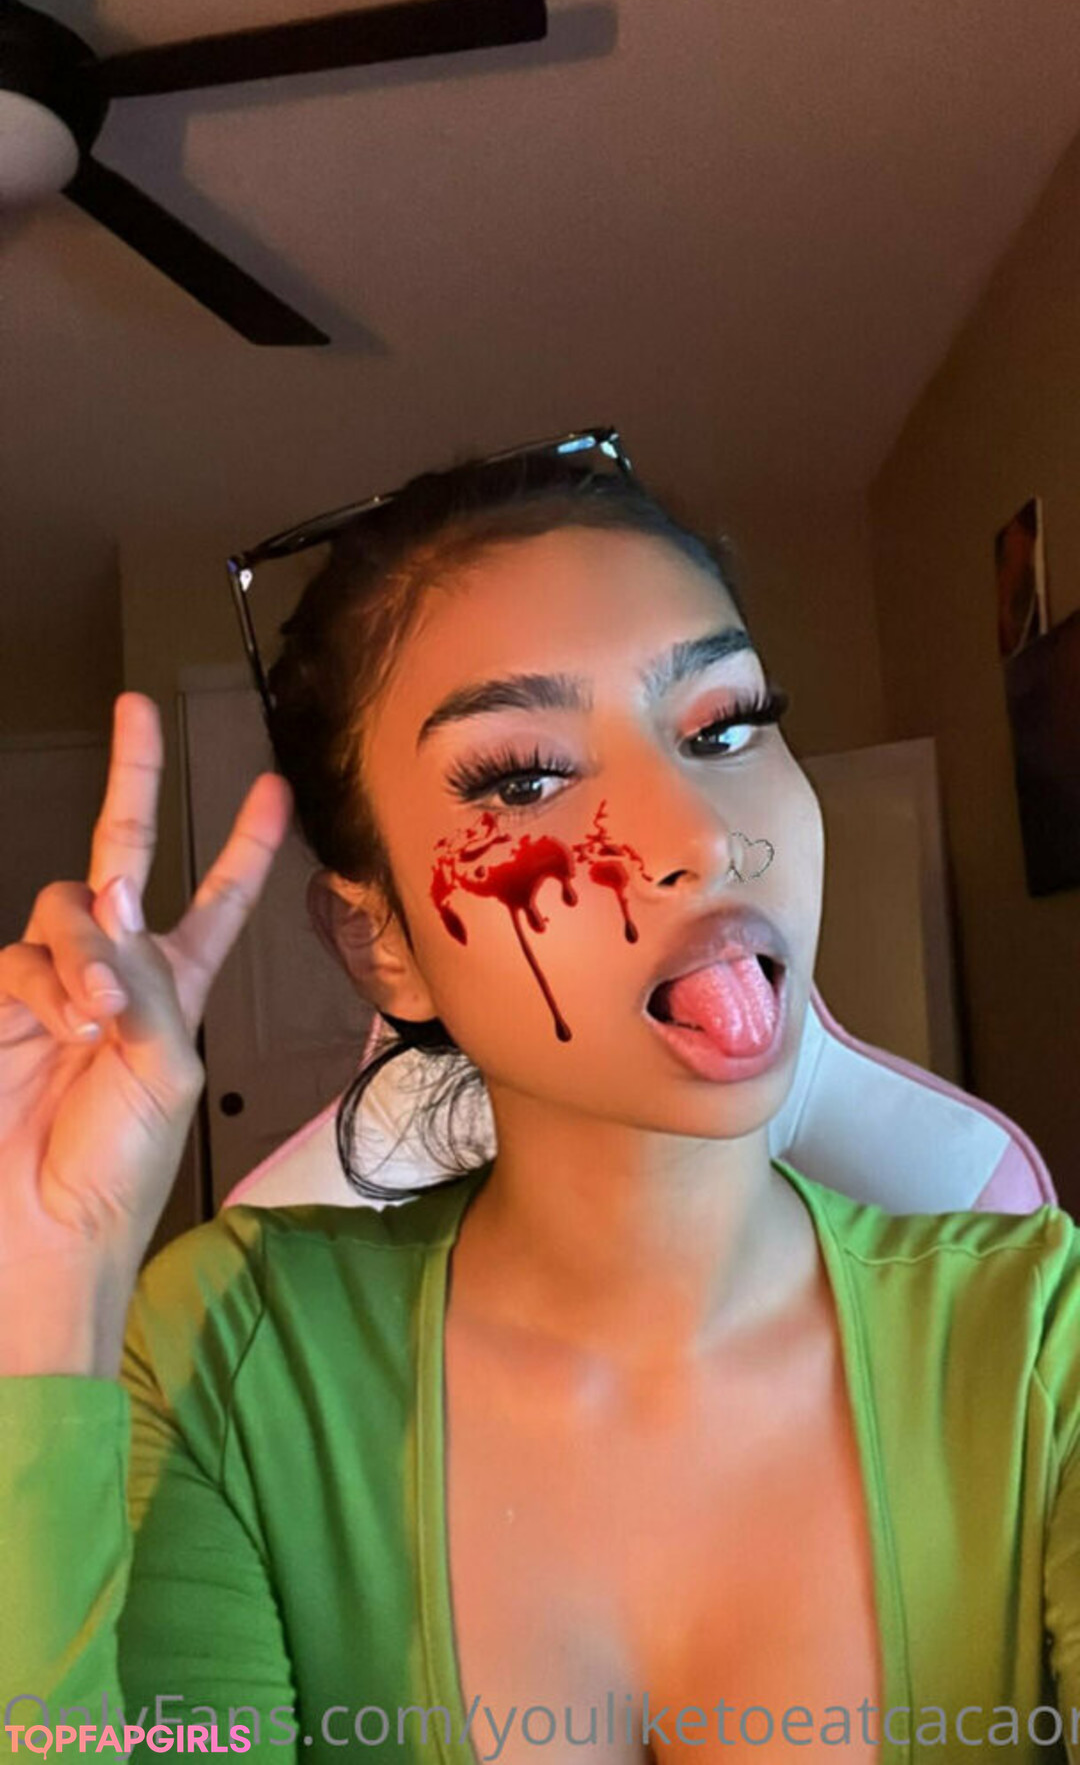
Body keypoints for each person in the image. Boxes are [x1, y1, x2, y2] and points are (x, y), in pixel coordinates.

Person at [0, 445, 1078, 1765]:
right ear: (380, 944)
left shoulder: (1040, 1341)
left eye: (724, 725)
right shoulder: (234, 1356)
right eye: (523, 778)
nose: (697, 834)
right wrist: (46, 1297)